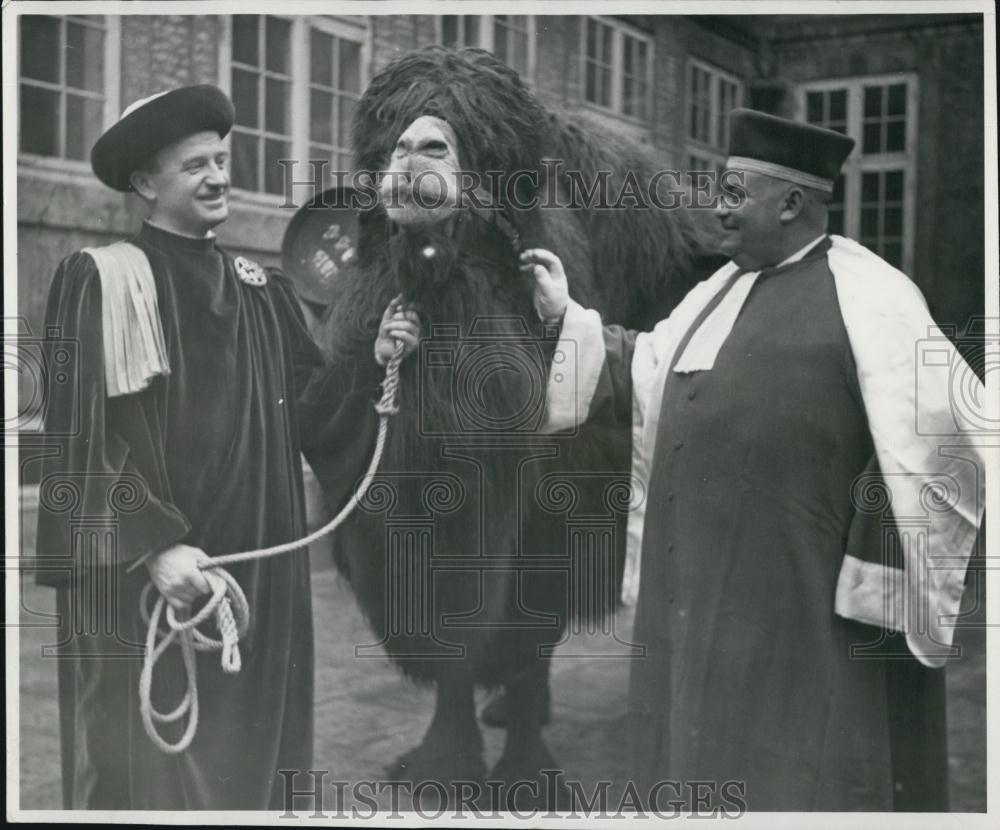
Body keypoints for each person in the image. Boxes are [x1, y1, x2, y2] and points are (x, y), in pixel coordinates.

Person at [521, 108, 986, 811]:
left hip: (800, 613)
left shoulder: (877, 300)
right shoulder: (714, 294)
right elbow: (642, 370)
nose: (718, 210)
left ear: (793, 203)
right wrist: (565, 315)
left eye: (735, 193)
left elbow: (958, 442)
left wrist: (875, 572)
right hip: (695, 605)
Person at [34, 84, 420, 809]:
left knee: (256, 772)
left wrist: (377, 360)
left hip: (258, 600)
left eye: (221, 159)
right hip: (147, 592)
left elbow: (320, 413)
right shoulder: (103, 281)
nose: (218, 176)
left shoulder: (262, 294)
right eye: (194, 165)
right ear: (145, 185)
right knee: (143, 776)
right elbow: (75, 446)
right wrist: (154, 547)